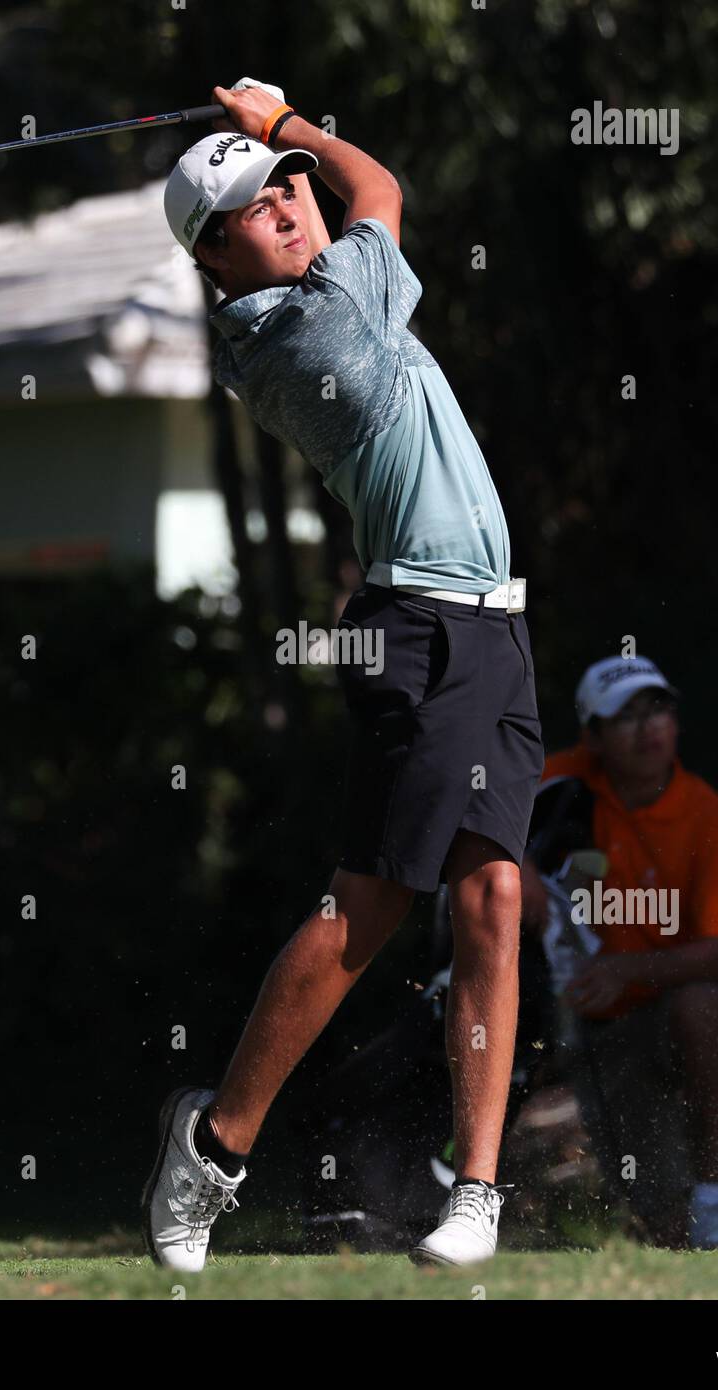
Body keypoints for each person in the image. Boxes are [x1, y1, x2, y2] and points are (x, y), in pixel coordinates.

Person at [142, 78, 543, 1270]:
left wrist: (282, 151)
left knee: (494, 901)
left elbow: (351, 200)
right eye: (259, 207)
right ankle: (213, 1151)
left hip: (490, 627)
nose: (290, 205)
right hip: (422, 625)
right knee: (368, 908)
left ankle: (475, 1194)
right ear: (217, 259)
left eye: (284, 193)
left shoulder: (314, 297)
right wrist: (285, 123)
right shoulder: (321, 326)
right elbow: (380, 187)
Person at [520, 655, 718, 1248]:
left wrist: (625, 968)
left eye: (656, 709)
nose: (647, 728)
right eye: (624, 716)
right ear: (595, 738)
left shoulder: (714, 819)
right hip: (602, 1030)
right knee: (667, 1234)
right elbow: (475, 810)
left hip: (686, 1014)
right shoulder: (564, 782)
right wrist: (516, 864)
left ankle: (713, 1191)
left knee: (702, 1002)